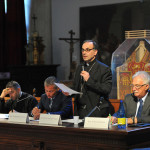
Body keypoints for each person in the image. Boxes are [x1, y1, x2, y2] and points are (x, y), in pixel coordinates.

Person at [72, 40, 112, 119]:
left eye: (87, 50)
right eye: (83, 50)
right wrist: (68, 91)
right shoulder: (79, 67)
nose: (84, 52)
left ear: (95, 52)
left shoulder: (104, 69)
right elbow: (77, 87)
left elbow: (106, 89)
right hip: (79, 112)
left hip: (96, 111)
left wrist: (89, 80)